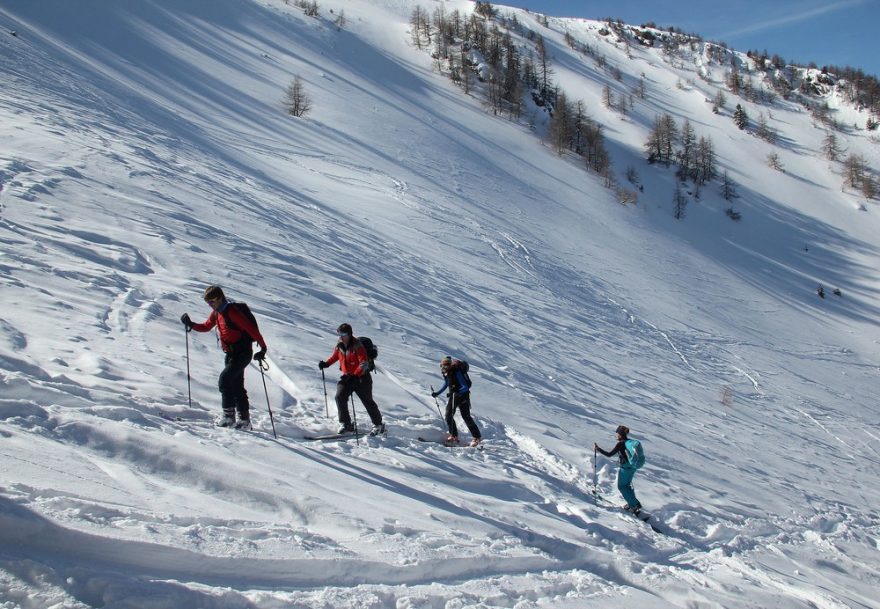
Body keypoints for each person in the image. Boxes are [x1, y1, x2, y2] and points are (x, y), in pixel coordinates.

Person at [180, 285, 267, 429]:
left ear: (220, 298)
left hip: (242, 352)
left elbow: (251, 329)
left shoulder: (232, 312)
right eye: (207, 302)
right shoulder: (216, 313)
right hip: (231, 354)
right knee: (236, 385)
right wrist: (191, 324)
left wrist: (263, 348)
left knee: (225, 380)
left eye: (212, 301)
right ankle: (244, 421)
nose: (210, 305)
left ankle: (229, 418)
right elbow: (206, 327)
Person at [318, 323, 385, 436]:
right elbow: (335, 356)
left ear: (349, 334)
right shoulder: (339, 345)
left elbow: (363, 363)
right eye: (339, 334)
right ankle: (346, 424)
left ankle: (378, 425)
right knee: (340, 396)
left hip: (361, 378)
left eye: (343, 334)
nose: (341, 336)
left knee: (367, 401)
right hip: (348, 377)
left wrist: (356, 375)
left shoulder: (358, 346)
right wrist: (326, 363)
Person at [431, 356, 481, 446]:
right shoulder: (447, 373)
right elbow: (447, 383)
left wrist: (457, 391)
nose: (444, 367)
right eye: (442, 366)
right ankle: (456, 436)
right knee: (452, 415)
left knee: (463, 416)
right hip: (455, 396)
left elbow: (465, 386)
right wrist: (437, 393)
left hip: (462, 396)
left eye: (446, 365)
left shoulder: (456, 371)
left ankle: (474, 437)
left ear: (449, 365)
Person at [594, 425, 642, 514]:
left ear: (620, 434)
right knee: (627, 486)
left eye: (617, 433)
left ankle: (634, 505)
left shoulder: (620, 444)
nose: (616, 435)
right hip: (632, 467)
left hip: (625, 468)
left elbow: (609, 454)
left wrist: (598, 449)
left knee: (622, 487)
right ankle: (634, 503)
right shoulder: (628, 443)